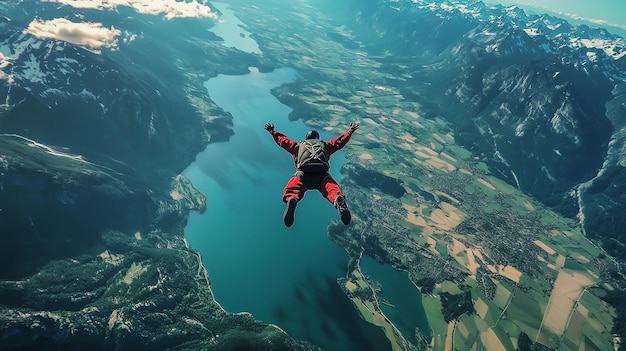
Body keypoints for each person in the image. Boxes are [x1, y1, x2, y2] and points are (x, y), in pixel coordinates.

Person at [264, 122, 359, 227]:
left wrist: (272, 131)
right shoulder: (325, 146)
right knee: (331, 187)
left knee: (293, 187)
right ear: (317, 138)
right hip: (322, 174)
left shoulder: (298, 146)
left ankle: (292, 199)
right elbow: (340, 142)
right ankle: (337, 198)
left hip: (303, 174)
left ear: (306, 138)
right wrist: (350, 131)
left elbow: (283, 141)